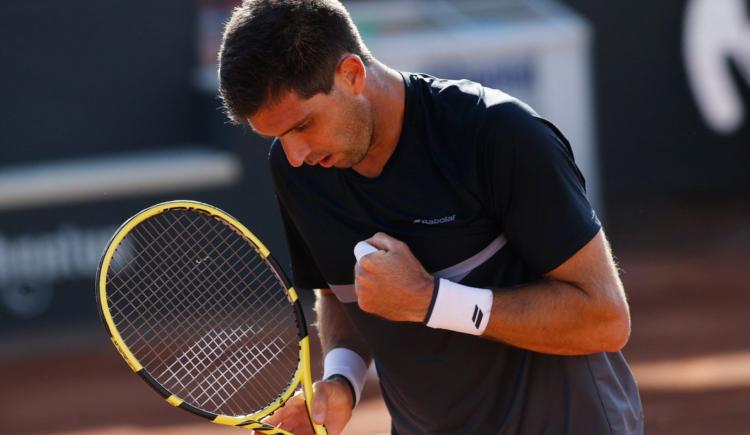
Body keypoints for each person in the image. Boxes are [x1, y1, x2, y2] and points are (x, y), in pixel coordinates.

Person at [218, 1, 643, 434]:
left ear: (351, 75)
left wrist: (432, 301)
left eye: (303, 126)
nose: (296, 154)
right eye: (277, 137)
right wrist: (340, 382)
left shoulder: (498, 134)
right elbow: (343, 294)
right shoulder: (299, 171)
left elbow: (605, 318)